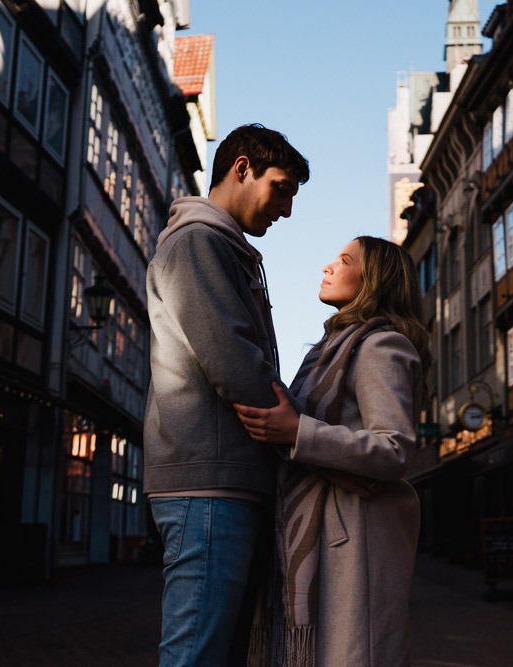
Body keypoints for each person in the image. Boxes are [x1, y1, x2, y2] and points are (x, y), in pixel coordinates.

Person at [143, 123, 310, 666]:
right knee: (197, 655)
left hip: (225, 483)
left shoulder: (222, 248)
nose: (285, 210)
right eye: (281, 188)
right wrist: (305, 431)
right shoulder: (198, 243)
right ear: (242, 167)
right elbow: (235, 363)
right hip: (209, 486)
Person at [234, 236, 431, 667]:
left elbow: (395, 448)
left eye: (344, 261)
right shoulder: (328, 352)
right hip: (322, 525)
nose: (327, 267)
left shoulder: (381, 346)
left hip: (356, 534)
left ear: (374, 281)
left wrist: (298, 432)